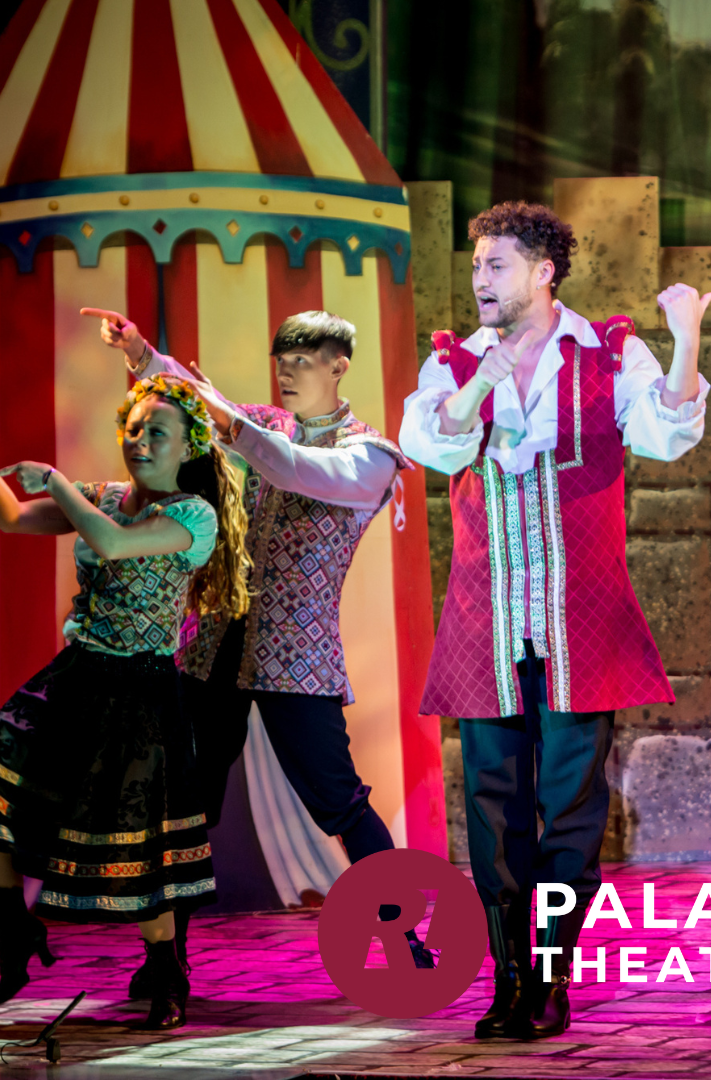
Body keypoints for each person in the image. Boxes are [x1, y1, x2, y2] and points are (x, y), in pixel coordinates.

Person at [399, 200, 711, 1039]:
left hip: (582, 620)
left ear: (543, 272)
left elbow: (666, 432)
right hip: (487, 622)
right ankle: (508, 979)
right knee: (493, 806)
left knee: (570, 809)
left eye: (496, 265)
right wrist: (481, 383)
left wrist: (685, 339)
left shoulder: (608, 350)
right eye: (476, 265)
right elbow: (433, 445)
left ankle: (549, 978)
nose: (480, 279)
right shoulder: (452, 361)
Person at [82, 306, 432, 992]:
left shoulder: (369, 455)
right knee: (184, 803)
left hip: (295, 652)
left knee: (338, 801)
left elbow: (294, 467)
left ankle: (405, 939)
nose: (288, 374)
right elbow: (199, 401)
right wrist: (143, 355)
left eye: (303, 362)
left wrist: (232, 426)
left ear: (339, 366)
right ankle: (165, 961)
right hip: (217, 638)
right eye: (283, 363)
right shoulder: (265, 425)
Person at [0, 374, 249, 1028]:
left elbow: (111, 542)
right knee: (8, 791)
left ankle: (166, 972)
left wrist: (56, 482)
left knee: (140, 848)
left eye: (156, 432)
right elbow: (14, 518)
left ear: (187, 447)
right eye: (133, 429)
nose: (140, 441)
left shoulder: (193, 517)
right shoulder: (103, 496)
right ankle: (12, 932)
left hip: (142, 692)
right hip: (76, 677)